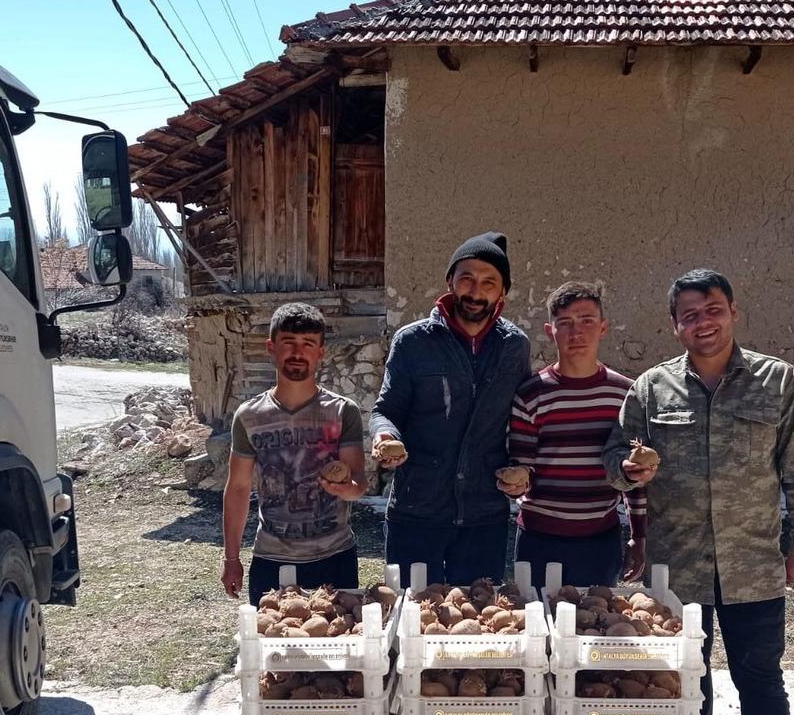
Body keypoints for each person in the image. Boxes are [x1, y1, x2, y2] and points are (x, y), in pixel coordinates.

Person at [603, 269, 794, 715]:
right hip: (676, 564)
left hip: (752, 562)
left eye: (712, 310)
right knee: (686, 677)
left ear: (732, 310)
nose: (702, 323)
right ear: (675, 324)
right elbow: (615, 455)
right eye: (689, 315)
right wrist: (628, 470)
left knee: (761, 680)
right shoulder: (652, 389)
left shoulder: (777, 382)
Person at [370, 232, 530, 586]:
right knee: (409, 617)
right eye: (467, 278)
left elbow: (523, 419)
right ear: (449, 282)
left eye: (489, 282)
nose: (476, 291)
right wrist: (385, 436)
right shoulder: (413, 342)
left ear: (502, 293)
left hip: (483, 512)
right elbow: (386, 409)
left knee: (479, 624)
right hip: (416, 508)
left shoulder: (515, 347)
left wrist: (522, 467)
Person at [503, 281, 647, 588]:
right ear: (549, 330)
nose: (576, 332)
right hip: (538, 539)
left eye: (586, 321)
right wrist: (513, 483)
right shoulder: (531, 394)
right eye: (564, 323)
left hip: (600, 540)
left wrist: (639, 534)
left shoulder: (625, 393)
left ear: (603, 328)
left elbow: (632, 472)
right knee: (538, 629)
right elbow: (522, 465)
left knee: (596, 627)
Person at [221, 303, 367, 604]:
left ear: (320, 352)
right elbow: (237, 487)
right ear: (271, 347)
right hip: (272, 560)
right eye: (289, 343)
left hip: (334, 557)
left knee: (339, 648)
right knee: (272, 646)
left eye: (308, 344)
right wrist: (231, 558)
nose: (298, 353)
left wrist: (345, 488)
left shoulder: (343, 412)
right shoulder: (249, 416)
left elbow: (359, 485)